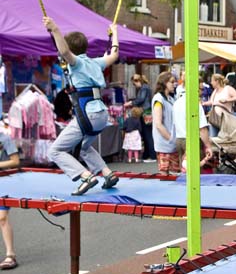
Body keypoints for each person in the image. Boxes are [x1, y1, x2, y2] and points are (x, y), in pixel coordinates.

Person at [44, 17, 120, 195]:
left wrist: (55, 29)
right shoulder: (95, 63)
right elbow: (115, 54)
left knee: (54, 151)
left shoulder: (76, 64)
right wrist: (115, 33)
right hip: (101, 115)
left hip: (87, 115)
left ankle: (86, 176)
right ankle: (107, 173)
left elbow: (64, 51)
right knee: (84, 147)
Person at [173, 85, 213, 171]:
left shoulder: (176, 103)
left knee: (184, 171)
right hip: (192, 140)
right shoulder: (195, 104)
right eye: (201, 89)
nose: (202, 92)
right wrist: (208, 146)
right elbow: (202, 129)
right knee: (196, 171)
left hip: (179, 139)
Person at [151, 71, 179, 175]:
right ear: (164, 83)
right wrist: (171, 138)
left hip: (171, 142)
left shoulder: (171, 98)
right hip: (164, 142)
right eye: (171, 82)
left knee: (175, 172)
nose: (174, 84)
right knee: (164, 173)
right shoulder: (158, 99)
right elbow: (158, 124)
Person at [0, 132, 20, 270]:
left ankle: (10, 255)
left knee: (2, 218)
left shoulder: (4, 138)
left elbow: (15, 161)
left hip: (3, 182)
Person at [125, 73, 155, 161]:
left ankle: (152, 155)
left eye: (134, 84)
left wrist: (130, 103)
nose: (135, 86)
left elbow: (141, 99)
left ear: (137, 81)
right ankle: (147, 154)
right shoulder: (146, 87)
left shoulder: (144, 88)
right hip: (147, 112)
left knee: (147, 134)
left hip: (145, 112)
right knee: (146, 134)